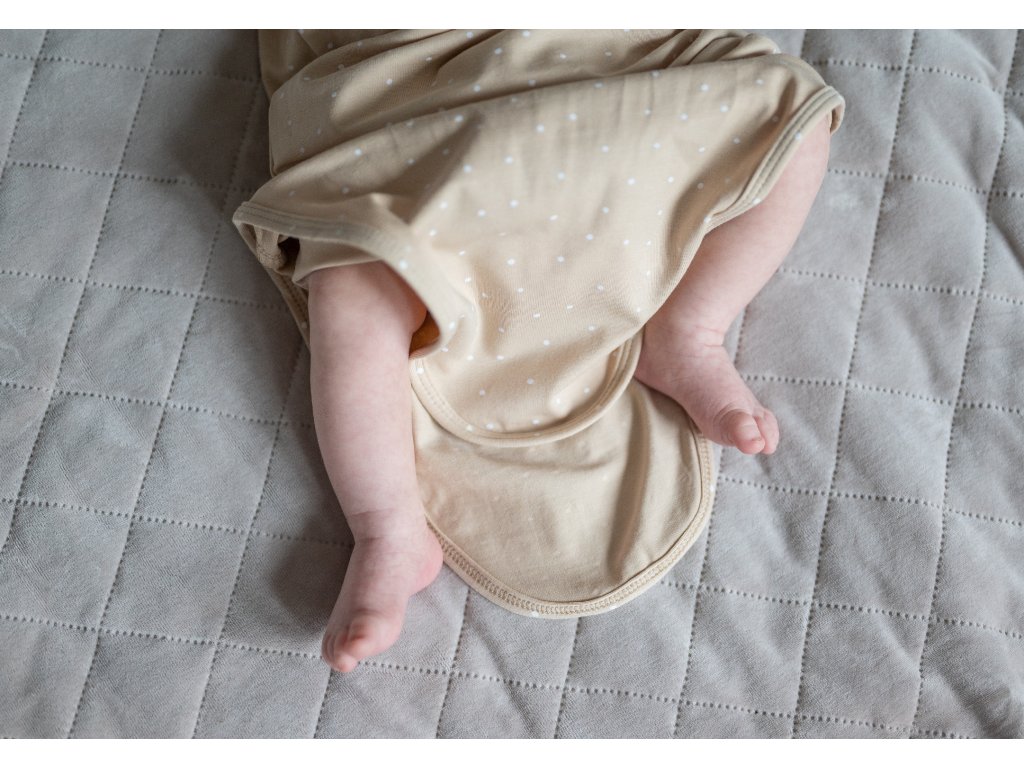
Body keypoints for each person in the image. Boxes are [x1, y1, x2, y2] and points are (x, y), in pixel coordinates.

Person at [232, 29, 843, 674]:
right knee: (355, 284)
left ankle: (687, 332)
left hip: (590, 78)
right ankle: (389, 527)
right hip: (410, 114)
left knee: (796, 116)